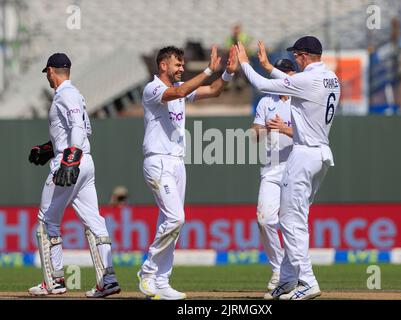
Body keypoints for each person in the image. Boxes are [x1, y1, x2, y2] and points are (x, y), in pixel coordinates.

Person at [235, 36, 340, 300]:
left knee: (291, 222)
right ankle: (288, 278)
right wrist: (270, 66)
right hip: (322, 155)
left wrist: (246, 64)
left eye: (297, 56)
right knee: (296, 220)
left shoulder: (307, 80)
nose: (295, 60)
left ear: (305, 56)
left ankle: (307, 281)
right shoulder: (331, 78)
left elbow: (261, 84)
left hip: (303, 155)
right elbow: (293, 82)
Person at [137, 45, 238, 300]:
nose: (182, 68)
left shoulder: (180, 92)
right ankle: (147, 272)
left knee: (170, 222)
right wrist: (207, 70)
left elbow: (214, 91)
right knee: (175, 218)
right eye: (178, 65)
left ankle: (162, 281)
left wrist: (226, 74)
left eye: (183, 65)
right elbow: (179, 90)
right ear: (163, 66)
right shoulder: (154, 89)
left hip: (177, 162)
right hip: (158, 161)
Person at [28, 53, 120, 298]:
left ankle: (54, 281)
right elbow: (81, 128)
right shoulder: (75, 93)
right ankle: (107, 279)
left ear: (51, 71)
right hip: (85, 162)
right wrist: (49, 148)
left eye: (47, 72)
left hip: (71, 162)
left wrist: (69, 159)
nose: (47, 76)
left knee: (47, 221)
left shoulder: (65, 94)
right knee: (94, 220)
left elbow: (78, 129)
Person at [251, 55, 296, 291]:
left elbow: (310, 135)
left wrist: (284, 129)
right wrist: (260, 130)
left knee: (291, 223)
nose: (280, 76)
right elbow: (254, 135)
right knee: (265, 219)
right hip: (270, 169)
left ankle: (296, 274)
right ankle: (279, 269)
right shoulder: (265, 102)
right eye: (277, 72)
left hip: (295, 168)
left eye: (285, 72)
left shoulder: (301, 100)